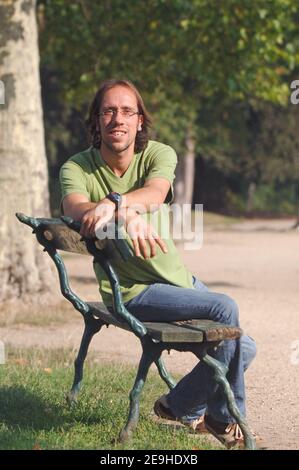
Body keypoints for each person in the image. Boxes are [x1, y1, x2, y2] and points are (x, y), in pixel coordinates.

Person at [60, 79, 257, 448]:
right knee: (225, 306)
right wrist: (121, 213)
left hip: (178, 283)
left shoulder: (159, 154)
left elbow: (155, 193)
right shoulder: (78, 167)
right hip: (133, 293)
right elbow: (74, 208)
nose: (117, 118)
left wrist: (117, 205)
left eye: (126, 111)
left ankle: (178, 404)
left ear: (139, 121)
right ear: (97, 120)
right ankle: (222, 419)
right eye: (108, 111)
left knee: (244, 347)